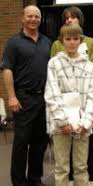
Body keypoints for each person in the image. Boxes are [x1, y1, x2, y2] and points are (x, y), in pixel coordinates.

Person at [1, 5, 51, 186]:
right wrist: (12, 96)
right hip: (23, 98)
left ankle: (35, 179)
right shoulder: (14, 42)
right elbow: (7, 70)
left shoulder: (47, 42)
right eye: (29, 16)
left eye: (36, 16)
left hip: (44, 99)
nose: (33, 19)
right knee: (21, 143)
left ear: (40, 19)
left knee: (40, 143)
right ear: (22, 18)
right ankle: (19, 182)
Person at [50, 6, 93, 185]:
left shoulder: (89, 66)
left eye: (75, 39)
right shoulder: (54, 64)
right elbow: (51, 94)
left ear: (81, 41)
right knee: (62, 167)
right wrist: (62, 122)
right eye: (67, 39)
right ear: (61, 41)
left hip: (82, 122)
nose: (72, 42)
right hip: (61, 123)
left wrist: (86, 123)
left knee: (81, 167)